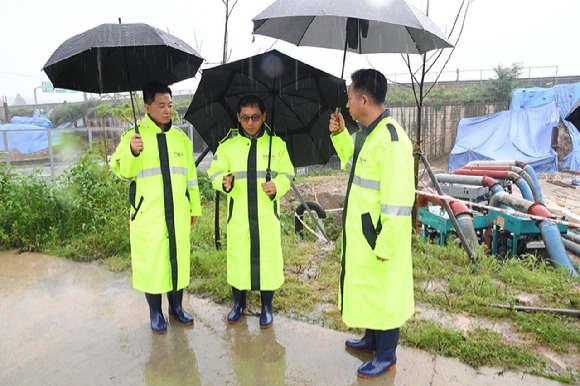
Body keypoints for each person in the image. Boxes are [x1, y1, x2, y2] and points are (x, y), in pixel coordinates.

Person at [328, 69, 415, 378]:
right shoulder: (368, 134)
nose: (347, 105)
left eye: (350, 98)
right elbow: (354, 167)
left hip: (378, 235)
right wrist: (340, 136)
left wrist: (385, 243)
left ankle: (387, 354)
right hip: (365, 233)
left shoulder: (391, 140)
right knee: (369, 288)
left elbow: (399, 200)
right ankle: (371, 339)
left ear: (364, 99)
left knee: (385, 292)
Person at [110, 81, 201, 334]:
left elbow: (190, 177)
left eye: (170, 105)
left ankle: (176, 308)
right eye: (161, 105)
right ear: (147, 106)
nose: (167, 110)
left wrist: (194, 207)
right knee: (153, 264)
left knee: (177, 262)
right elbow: (121, 170)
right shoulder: (134, 137)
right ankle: (155, 313)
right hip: (149, 214)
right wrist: (132, 151)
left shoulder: (180, 139)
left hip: (179, 213)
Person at [207, 95, 295, 328]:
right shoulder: (228, 146)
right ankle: (239, 304)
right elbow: (214, 173)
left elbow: (288, 174)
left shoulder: (276, 145)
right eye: (245, 117)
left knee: (267, 261)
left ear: (264, 116)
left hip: (266, 216)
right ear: (238, 117)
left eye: (256, 117)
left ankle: (267, 307)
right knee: (239, 260)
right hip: (240, 217)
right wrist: (223, 182)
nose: (250, 122)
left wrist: (278, 186)